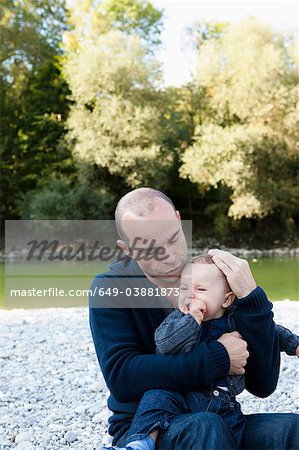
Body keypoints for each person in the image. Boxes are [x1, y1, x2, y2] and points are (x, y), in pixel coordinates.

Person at [90, 187, 299, 450]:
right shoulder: (111, 287)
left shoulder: (209, 278)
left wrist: (251, 298)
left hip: (224, 417)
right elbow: (123, 378)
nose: (169, 255)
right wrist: (219, 358)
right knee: (204, 426)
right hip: (147, 429)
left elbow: (263, 384)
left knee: (293, 430)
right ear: (127, 249)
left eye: (173, 238)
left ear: (179, 221)